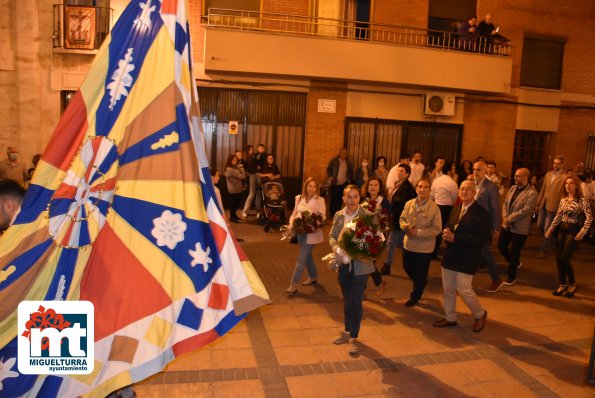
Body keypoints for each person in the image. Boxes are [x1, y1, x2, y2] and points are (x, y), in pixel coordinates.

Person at [433, 180, 490, 333]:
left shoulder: (482, 214)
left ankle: (480, 314)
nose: (464, 192)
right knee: (449, 289)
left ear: (475, 192)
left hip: (468, 257)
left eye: (468, 189)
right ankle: (450, 317)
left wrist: (455, 238)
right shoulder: (456, 209)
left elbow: (480, 241)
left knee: (464, 290)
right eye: (462, 189)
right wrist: (446, 231)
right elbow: (450, 225)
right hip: (451, 255)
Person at [330, 184, 375, 356]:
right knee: (347, 299)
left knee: (356, 301)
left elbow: (375, 240)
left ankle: (354, 338)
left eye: (355, 196)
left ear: (359, 198)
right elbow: (332, 236)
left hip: (361, 267)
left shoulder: (367, 216)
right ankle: (347, 331)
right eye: (349, 197)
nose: (352, 200)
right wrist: (337, 249)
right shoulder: (339, 215)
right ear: (343, 198)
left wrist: (360, 250)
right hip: (343, 264)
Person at [545, 176, 592, 297]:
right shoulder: (563, 200)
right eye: (566, 183)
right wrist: (550, 229)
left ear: (576, 185)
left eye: (571, 183)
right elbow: (558, 216)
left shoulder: (582, 200)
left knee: (564, 258)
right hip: (562, 230)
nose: (568, 185)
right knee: (558, 258)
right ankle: (562, 284)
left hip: (573, 231)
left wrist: (582, 232)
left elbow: (589, 217)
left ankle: (572, 283)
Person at [399, 179, 441, 306]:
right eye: (420, 187)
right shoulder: (409, 203)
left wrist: (417, 233)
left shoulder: (434, 208)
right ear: (416, 188)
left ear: (430, 190)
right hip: (408, 245)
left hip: (424, 248)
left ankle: (415, 296)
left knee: (421, 273)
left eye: (425, 187)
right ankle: (421, 282)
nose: (422, 189)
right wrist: (405, 227)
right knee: (407, 267)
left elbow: (437, 229)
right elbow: (402, 218)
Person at [286, 177, 326, 294]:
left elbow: (322, 217)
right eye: (309, 186)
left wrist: (313, 222)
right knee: (307, 256)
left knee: (301, 258)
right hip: (299, 232)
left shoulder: (320, 200)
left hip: (312, 233)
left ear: (317, 188)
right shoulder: (298, 198)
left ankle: (293, 284)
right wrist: (291, 224)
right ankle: (313, 276)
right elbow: (294, 213)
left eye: (314, 186)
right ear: (305, 186)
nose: (312, 189)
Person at [498, 168, 538, 285]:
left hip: (520, 227)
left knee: (515, 251)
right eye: (515, 176)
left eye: (518, 176)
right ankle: (514, 263)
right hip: (507, 224)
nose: (515, 178)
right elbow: (505, 203)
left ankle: (511, 275)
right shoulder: (512, 188)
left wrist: (509, 218)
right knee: (501, 246)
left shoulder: (532, 193)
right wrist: (505, 217)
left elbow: (526, 210)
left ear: (526, 177)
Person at [472, 160, 503, 292]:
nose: (475, 172)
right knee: (474, 252)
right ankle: (465, 281)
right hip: (473, 223)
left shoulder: (491, 187)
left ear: (485, 171)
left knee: (484, 252)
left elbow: (495, 208)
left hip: (483, 225)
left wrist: (496, 227)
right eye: (474, 169)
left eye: (478, 170)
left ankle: (496, 279)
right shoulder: (473, 184)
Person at [380, 163, 417, 275]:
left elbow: (404, 205)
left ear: (407, 174)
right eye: (398, 170)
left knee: (391, 242)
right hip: (393, 216)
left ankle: (387, 265)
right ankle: (413, 258)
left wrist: (392, 212)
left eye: (402, 171)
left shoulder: (407, 188)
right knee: (400, 243)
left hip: (399, 218)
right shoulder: (397, 183)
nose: (399, 173)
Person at [361, 177, 391, 297]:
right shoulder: (364, 200)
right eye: (371, 185)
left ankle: (363, 290)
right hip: (365, 235)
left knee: (368, 262)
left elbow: (387, 221)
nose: (373, 187)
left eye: (376, 185)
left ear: (380, 188)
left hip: (378, 237)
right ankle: (379, 283)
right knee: (366, 262)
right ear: (367, 187)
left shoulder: (384, 202)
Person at [536, 155, 566, 258]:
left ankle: (544, 250)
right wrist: (538, 203)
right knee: (539, 225)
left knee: (547, 227)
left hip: (554, 205)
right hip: (544, 203)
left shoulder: (564, 177)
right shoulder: (548, 174)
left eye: (558, 163)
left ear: (562, 164)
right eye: (554, 163)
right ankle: (554, 242)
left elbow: (563, 193)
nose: (555, 165)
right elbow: (543, 189)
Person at [430, 166, 459, 259]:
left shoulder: (436, 180)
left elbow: (432, 195)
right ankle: (451, 251)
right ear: (450, 172)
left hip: (436, 205)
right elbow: (455, 197)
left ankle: (433, 251)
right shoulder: (452, 183)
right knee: (447, 229)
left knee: (436, 228)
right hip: (447, 208)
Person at [327, 148, 353, 217]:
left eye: (345, 153)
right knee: (333, 199)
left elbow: (350, 171)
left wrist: (349, 180)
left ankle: (338, 214)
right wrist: (331, 176)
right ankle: (332, 214)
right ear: (339, 153)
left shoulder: (348, 162)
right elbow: (328, 169)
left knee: (340, 199)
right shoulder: (334, 160)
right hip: (335, 183)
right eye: (342, 153)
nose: (344, 155)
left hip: (344, 183)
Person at [224, 154, 246, 223]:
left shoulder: (234, 168)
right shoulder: (230, 169)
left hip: (237, 188)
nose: (236, 161)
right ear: (230, 161)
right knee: (233, 203)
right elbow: (242, 177)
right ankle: (231, 217)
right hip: (233, 189)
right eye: (234, 160)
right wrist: (242, 170)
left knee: (236, 203)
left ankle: (234, 215)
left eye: (236, 160)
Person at [242, 145, 258, 218]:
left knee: (258, 193)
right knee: (251, 193)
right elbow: (249, 169)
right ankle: (245, 211)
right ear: (247, 151)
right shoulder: (246, 159)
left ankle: (258, 211)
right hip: (252, 176)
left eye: (252, 150)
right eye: (250, 150)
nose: (251, 151)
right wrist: (256, 171)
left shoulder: (253, 157)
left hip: (257, 175)